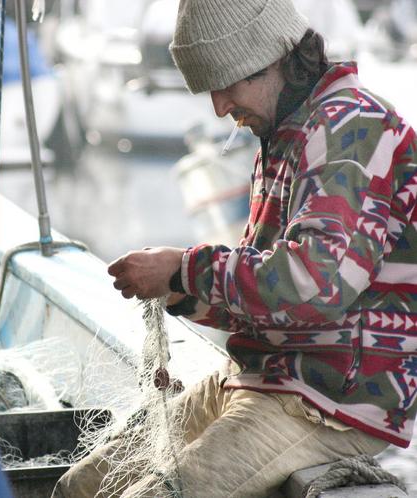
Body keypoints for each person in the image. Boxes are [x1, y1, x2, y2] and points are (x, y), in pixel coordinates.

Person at [54, 0, 417, 496]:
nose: (220, 107)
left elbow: (314, 285)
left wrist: (184, 271)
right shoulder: (289, 131)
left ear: (276, 61)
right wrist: (179, 293)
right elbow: (268, 297)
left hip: (330, 398)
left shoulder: (349, 127)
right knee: (81, 486)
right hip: (264, 374)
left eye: (227, 85)